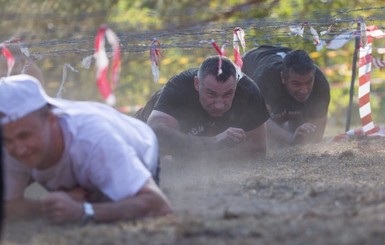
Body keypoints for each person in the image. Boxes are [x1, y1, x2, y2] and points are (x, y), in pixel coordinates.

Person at [0, 74, 172, 223]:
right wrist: (49, 208)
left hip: (137, 143)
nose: (19, 149)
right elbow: (8, 204)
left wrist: (83, 211)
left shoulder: (95, 142)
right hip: (86, 154)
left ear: (51, 120)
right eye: (6, 140)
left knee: (114, 200)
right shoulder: (11, 137)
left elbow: (158, 205)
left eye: (25, 136)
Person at [135, 55, 269, 160]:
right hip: (138, 131)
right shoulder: (179, 87)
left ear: (235, 87)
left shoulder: (248, 90)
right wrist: (213, 143)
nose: (219, 104)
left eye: (228, 94)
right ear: (196, 84)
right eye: (211, 94)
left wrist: (205, 157)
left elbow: (258, 147)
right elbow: (157, 132)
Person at [242, 45, 330, 147]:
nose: (304, 90)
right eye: (296, 84)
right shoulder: (266, 79)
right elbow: (259, 120)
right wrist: (290, 138)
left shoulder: (320, 82)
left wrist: (307, 139)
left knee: (299, 131)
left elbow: (317, 135)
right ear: (283, 78)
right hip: (251, 60)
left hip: (284, 53)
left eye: (309, 82)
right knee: (261, 138)